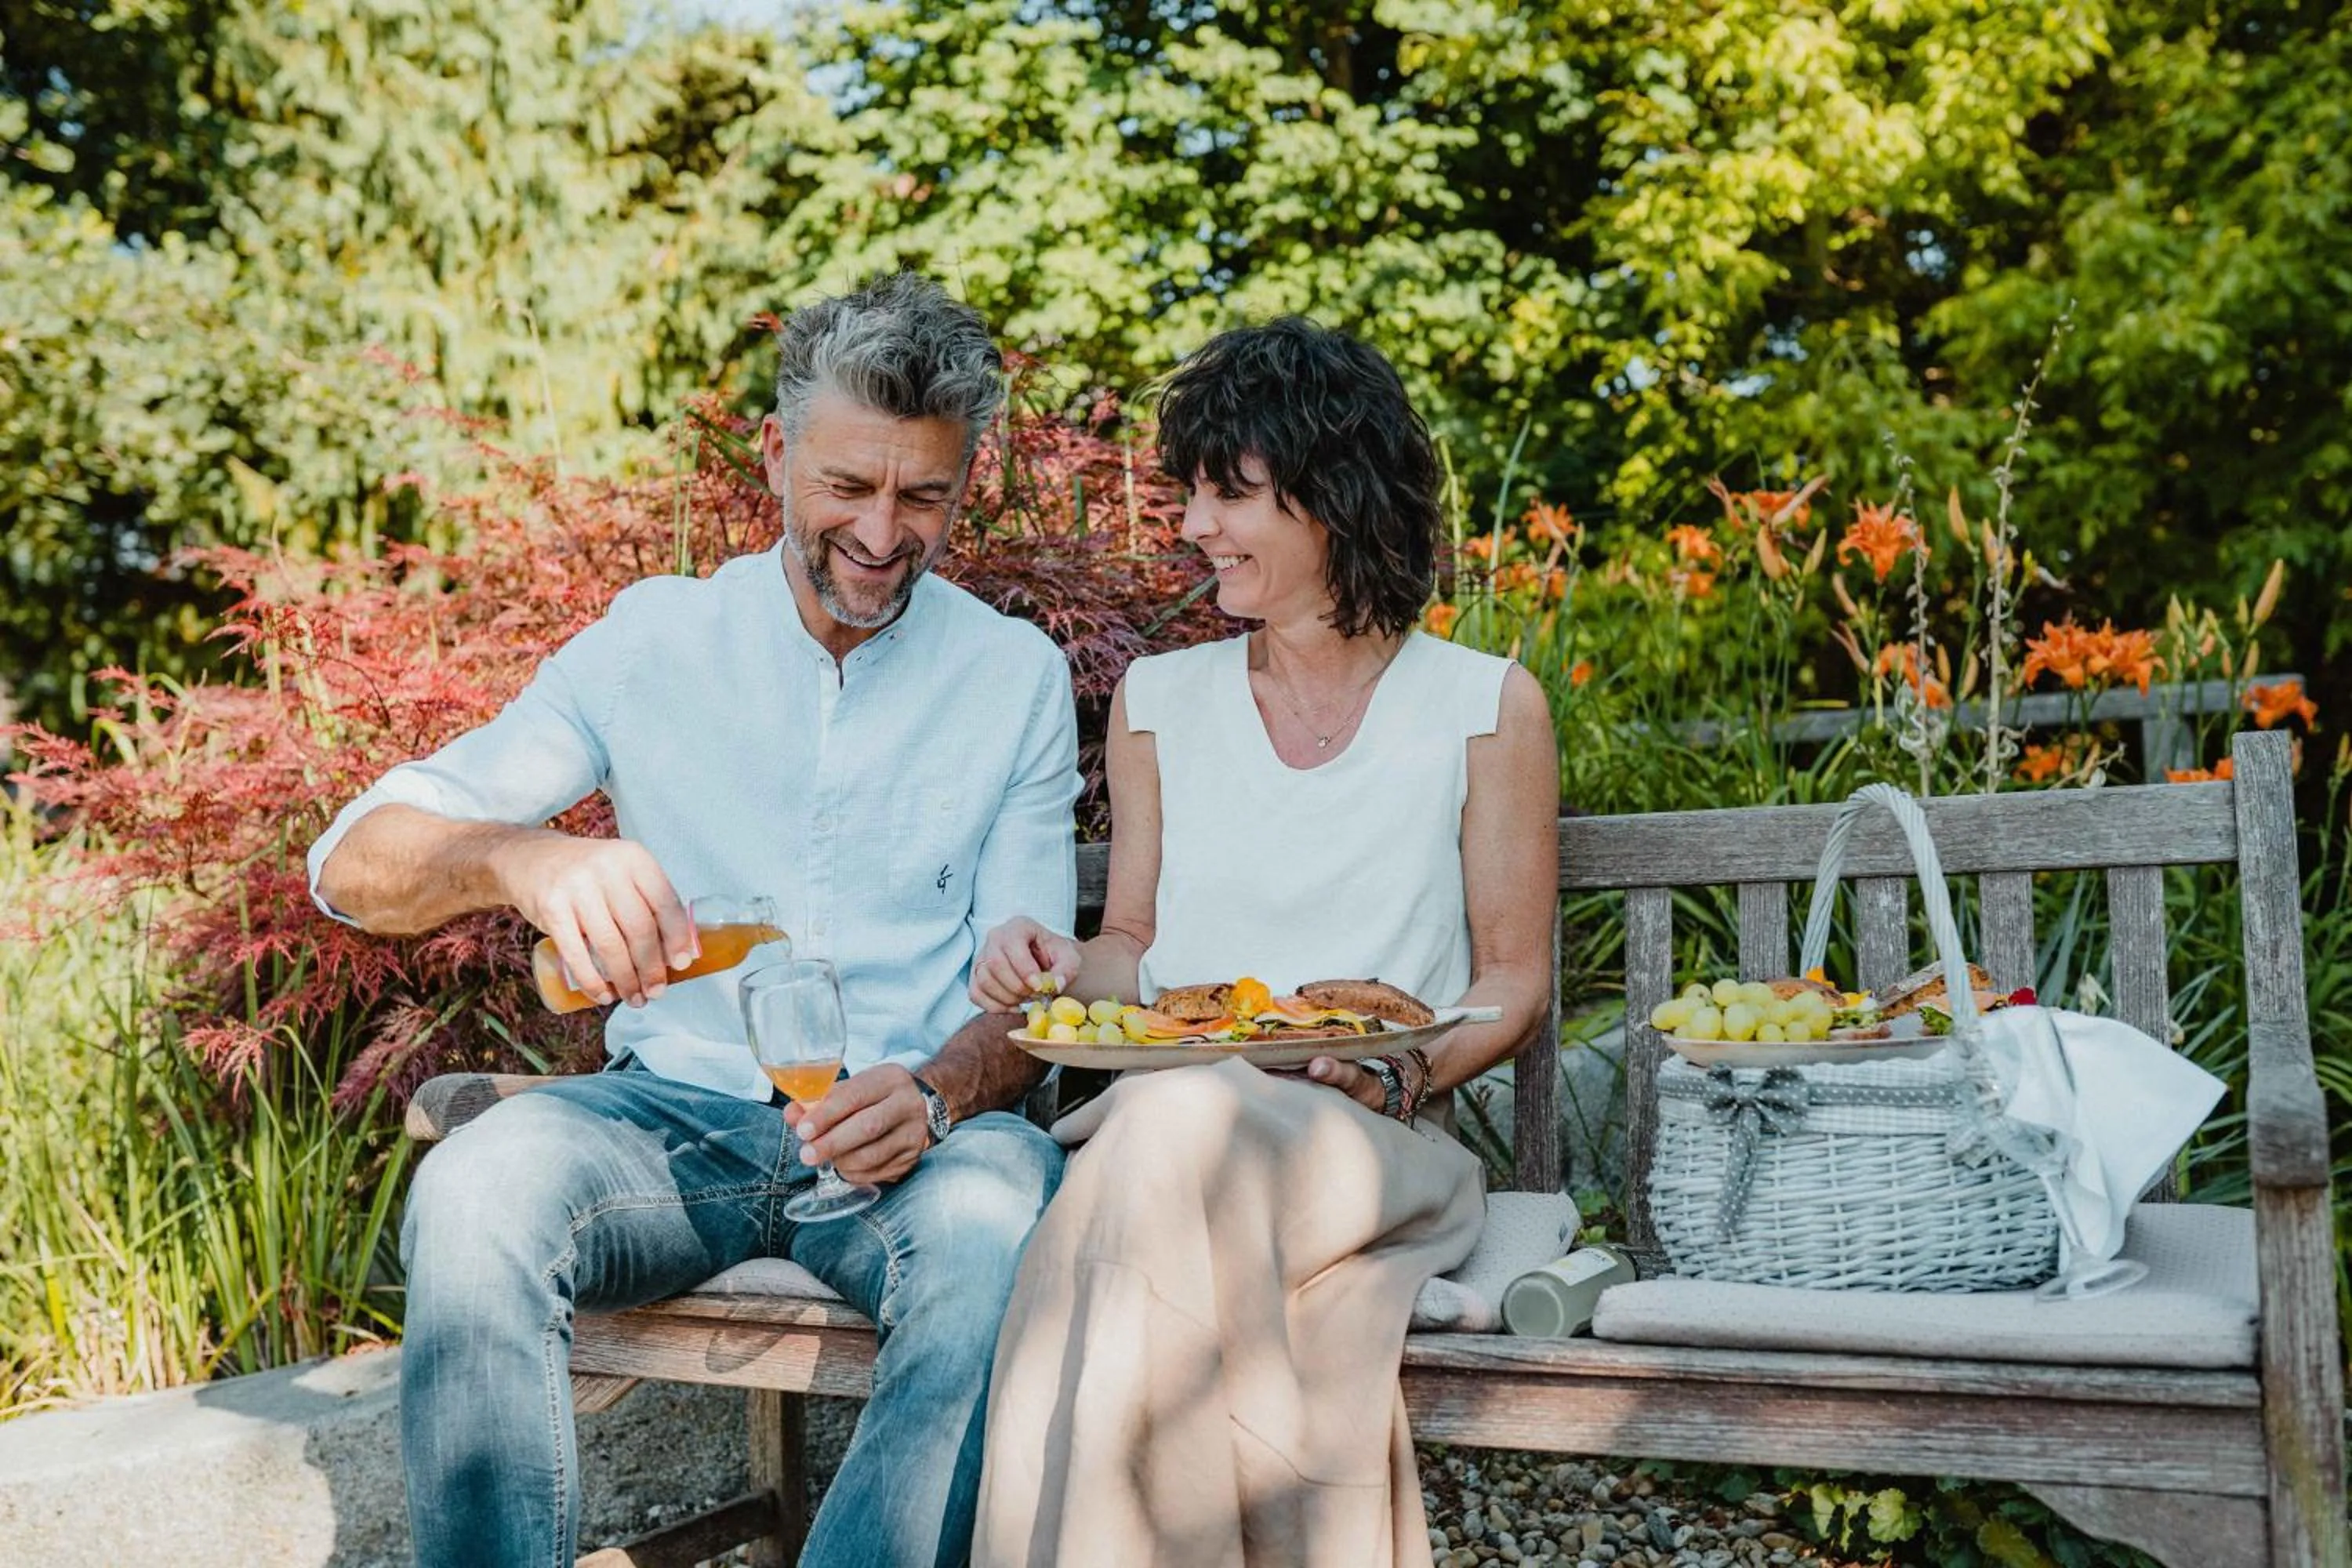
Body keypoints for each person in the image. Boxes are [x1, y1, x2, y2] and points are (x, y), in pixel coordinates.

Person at [308, 274, 1077, 1568]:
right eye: (847, 486)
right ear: (776, 455)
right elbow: (351, 862)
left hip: (914, 1139)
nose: (881, 532)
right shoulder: (651, 644)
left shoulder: (1014, 678)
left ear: (965, 485)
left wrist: (942, 1092)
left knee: (1004, 1219)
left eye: (923, 497)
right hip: (670, 1126)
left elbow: (1030, 1000)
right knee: (476, 1186)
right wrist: (518, 857)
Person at [964, 318, 1559, 1567]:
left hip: (1373, 1148)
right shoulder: (1160, 703)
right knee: (1173, 1128)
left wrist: (1402, 1072)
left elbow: (1513, 982)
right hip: (1176, 1141)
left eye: (1229, 493)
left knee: (1159, 1147)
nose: (1194, 527)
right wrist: (1061, 968)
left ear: (1334, 498)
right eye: (1192, 493)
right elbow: (1134, 943)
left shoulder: (1484, 707)